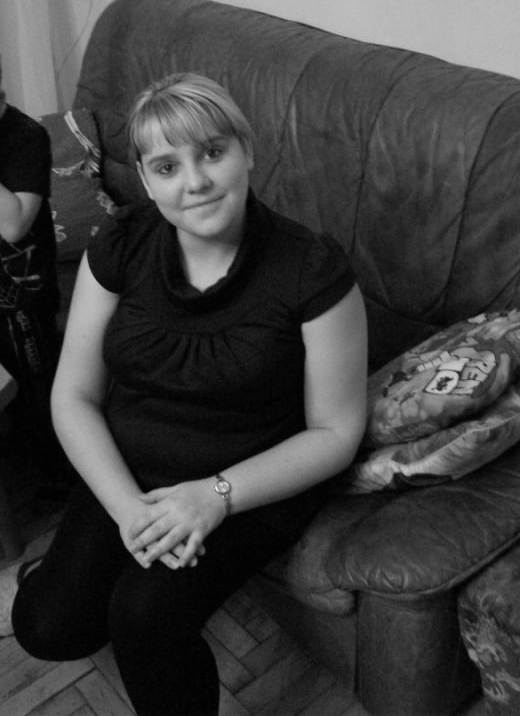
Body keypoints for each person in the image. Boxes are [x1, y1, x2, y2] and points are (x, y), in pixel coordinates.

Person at [3, 72, 367, 716]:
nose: (195, 181)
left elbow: (336, 433)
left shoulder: (311, 268)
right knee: (48, 627)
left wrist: (213, 497)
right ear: (146, 180)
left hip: (249, 480)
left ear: (246, 152)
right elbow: (74, 394)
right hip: (131, 468)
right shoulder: (120, 243)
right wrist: (128, 511)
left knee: (144, 617)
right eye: (167, 166)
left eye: (213, 152)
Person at [0, 56, 64, 485]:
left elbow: (13, 224)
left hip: (23, 294)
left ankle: (56, 477)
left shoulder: (25, 137)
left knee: (36, 386)